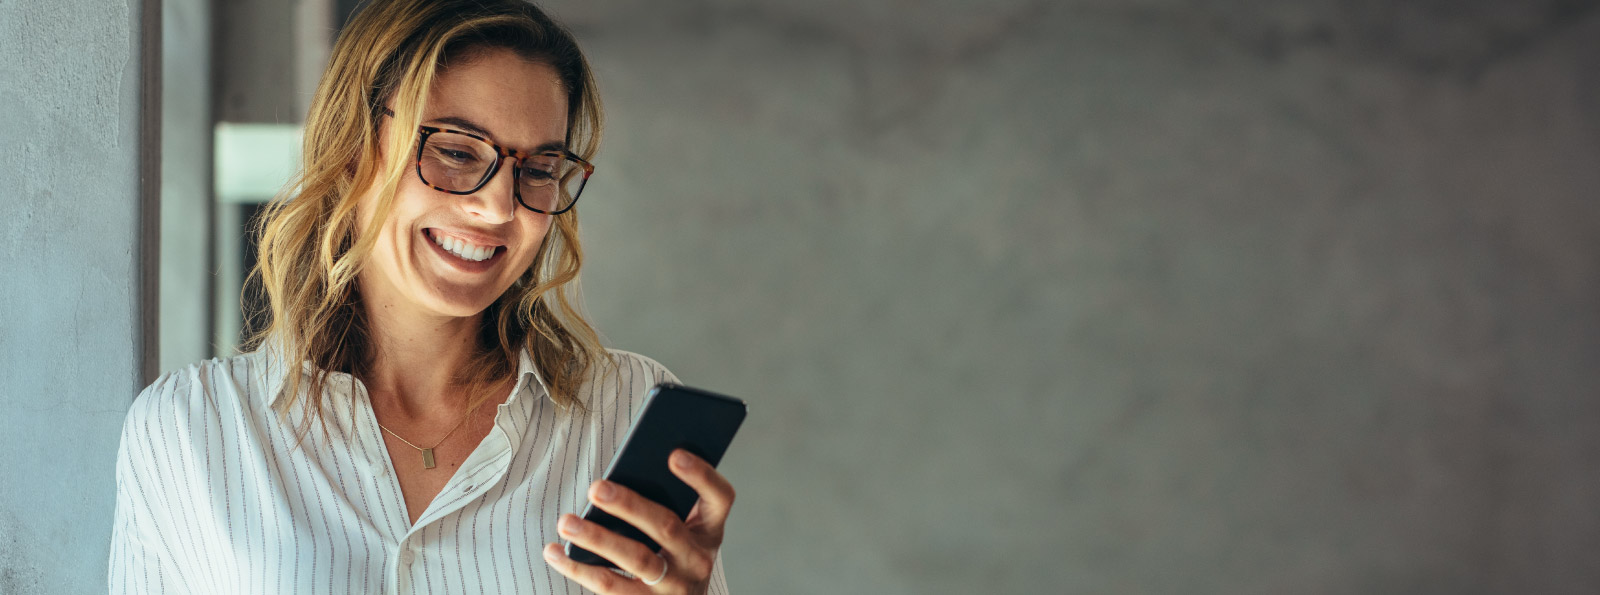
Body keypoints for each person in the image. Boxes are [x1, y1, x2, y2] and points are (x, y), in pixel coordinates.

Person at [108, 1, 735, 593]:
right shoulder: (190, 429)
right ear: (352, 150)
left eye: (539, 170)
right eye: (457, 152)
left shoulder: (621, 418)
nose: (497, 207)